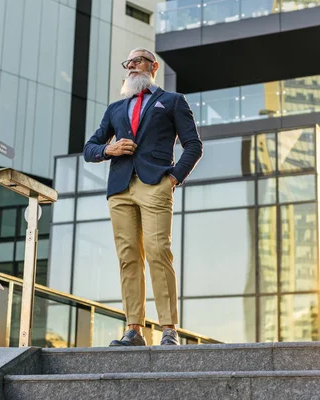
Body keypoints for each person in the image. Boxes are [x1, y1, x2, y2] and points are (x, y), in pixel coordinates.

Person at [83, 48, 203, 346]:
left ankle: (168, 329)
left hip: (156, 184)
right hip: (120, 189)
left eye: (137, 61)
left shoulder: (172, 102)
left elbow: (193, 146)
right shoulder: (115, 108)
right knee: (128, 257)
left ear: (153, 66)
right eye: (128, 63)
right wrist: (107, 150)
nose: (132, 65)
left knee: (157, 250)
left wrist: (172, 179)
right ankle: (134, 329)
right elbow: (90, 147)